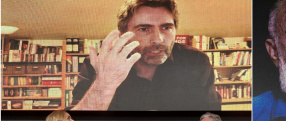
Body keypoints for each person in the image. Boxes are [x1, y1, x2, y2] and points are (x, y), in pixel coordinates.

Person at [71, 0, 221, 111]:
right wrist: (103, 85)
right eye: (144, 28)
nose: (158, 39)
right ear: (124, 34)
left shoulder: (195, 61)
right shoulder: (99, 64)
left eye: (166, 27)